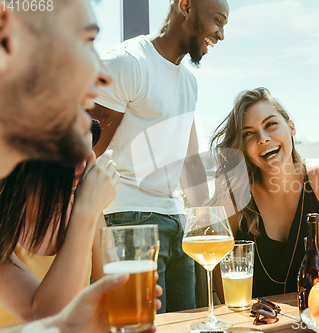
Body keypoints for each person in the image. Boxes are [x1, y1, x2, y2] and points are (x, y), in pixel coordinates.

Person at [0, 1, 160, 331]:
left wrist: (117, 321)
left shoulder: (82, 202)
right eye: (86, 41)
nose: (102, 75)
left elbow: (96, 317)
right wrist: (87, 209)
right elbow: (47, 318)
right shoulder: (76, 206)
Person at [88, 0, 230, 312]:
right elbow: (88, 150)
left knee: (186, 324)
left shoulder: (189, 83)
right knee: (144, 324)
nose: (220, 35)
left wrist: (206, 222)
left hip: (176, 222)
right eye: (218, 21)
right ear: (185, 5)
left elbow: (190, 162)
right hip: (128, 222)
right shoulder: (128, 62)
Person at [210, 87, 319, 298]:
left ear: (291, 127)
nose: (263, 138)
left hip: (316, 319)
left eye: (271, 125)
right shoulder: (234, 190)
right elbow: (224, 289)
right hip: (255, 324)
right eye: (249, 134)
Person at [0, 121, 118, 326]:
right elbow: (46, 317)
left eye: (87, 154)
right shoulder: (85, 210)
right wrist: (87, 211)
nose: (82, 168)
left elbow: (113, 296)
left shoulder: (82, 207)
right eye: (71, 156)